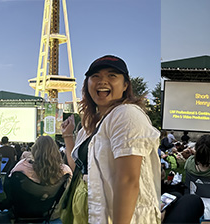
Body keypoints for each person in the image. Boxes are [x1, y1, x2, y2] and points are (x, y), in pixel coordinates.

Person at [61, 55, 160, 223]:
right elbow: (79, 167)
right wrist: (67, 136)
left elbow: (128, 180)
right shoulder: (92, 123)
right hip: (87, 208)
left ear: (125, 85)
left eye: (112, 76)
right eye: (95, 76)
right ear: (87, 85)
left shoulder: (126, 115)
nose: (102, 81)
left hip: (117, 216)